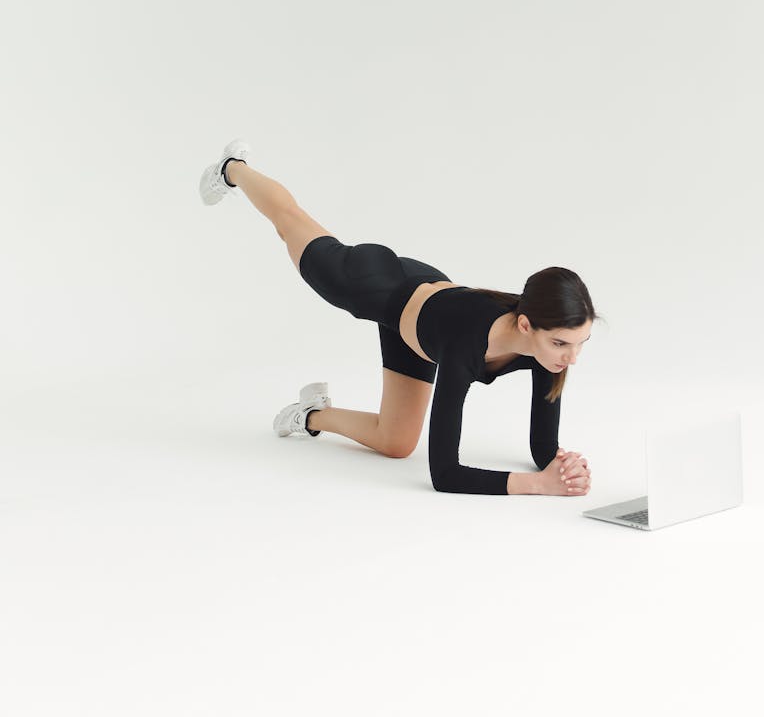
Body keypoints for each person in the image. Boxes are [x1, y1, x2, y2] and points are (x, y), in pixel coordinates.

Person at [199, 139, 596, 497]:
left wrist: (562, 467)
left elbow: (542, 448)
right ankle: (233, 168)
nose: (571, 357)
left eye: (581, 344)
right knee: (290, 223)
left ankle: (310, 414)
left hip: (422, 328)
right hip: (377, 284)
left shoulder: (548, 352)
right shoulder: (469, 343)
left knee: (397, 443)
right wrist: (538, 486)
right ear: (526, 326)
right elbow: (445, 474)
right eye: (562, 343)